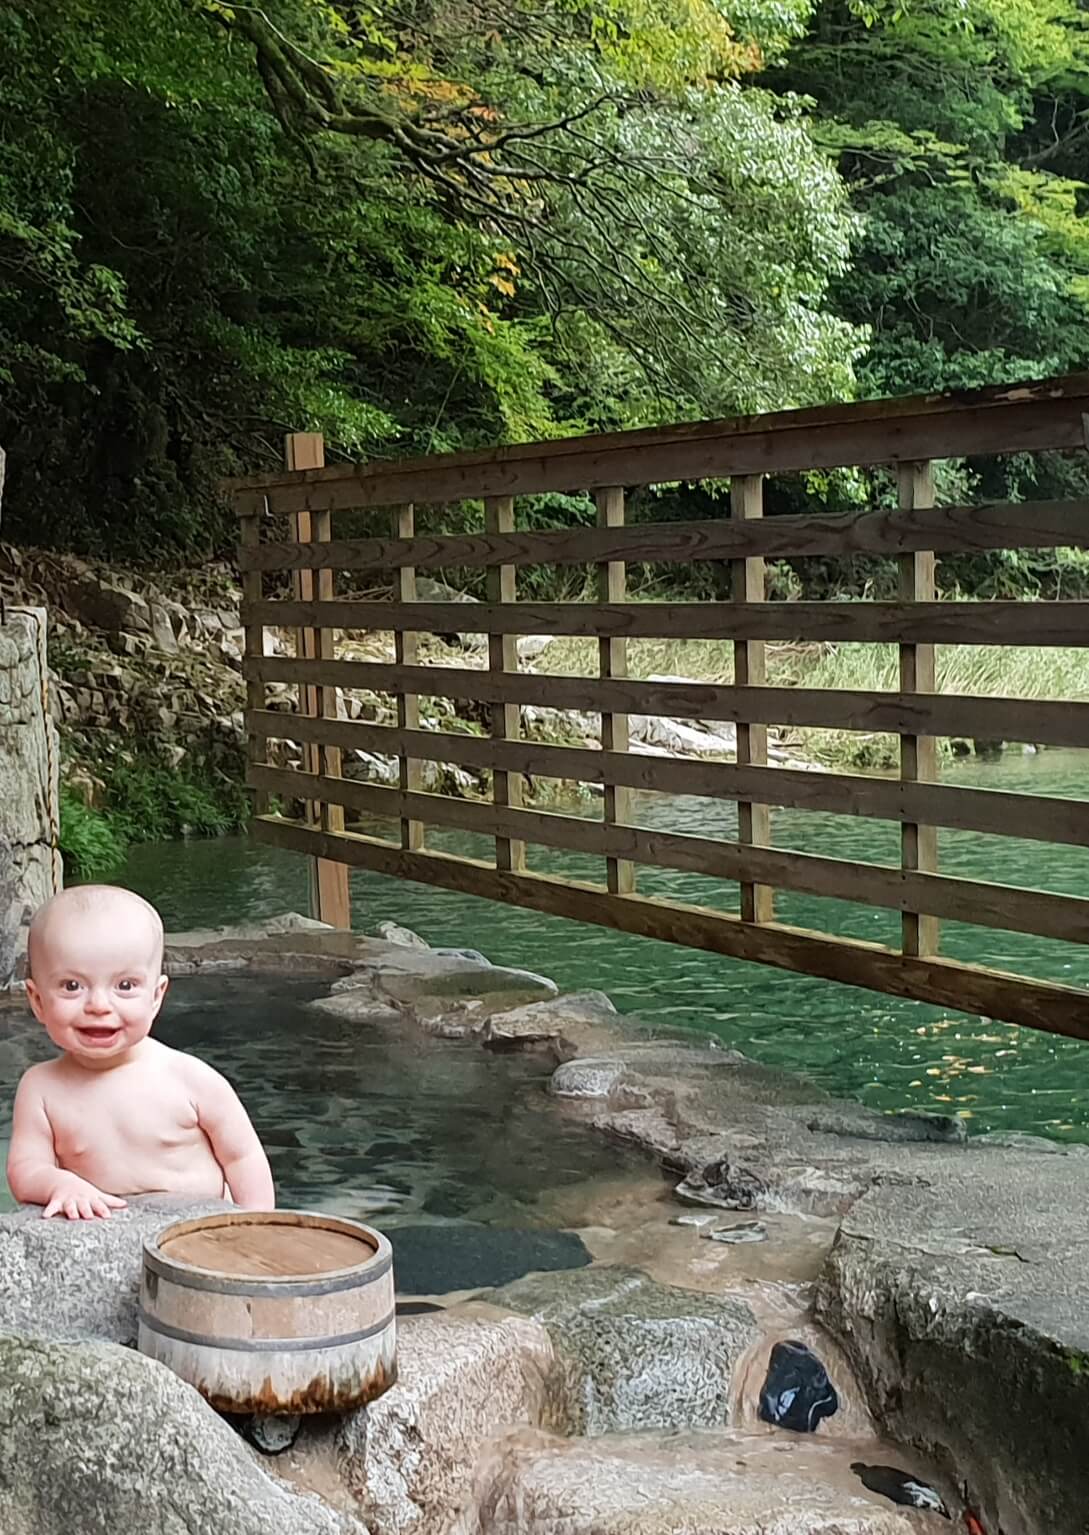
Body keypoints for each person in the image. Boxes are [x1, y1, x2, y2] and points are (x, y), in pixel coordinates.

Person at [6, 884, 274, 1219]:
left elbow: (243, 1157)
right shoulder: (41, 1087)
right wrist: (60, 1184)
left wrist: (258, 1223)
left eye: (125, 985)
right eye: (72, 986)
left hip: (198, 1231)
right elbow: (25, 1169)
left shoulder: (190, 1078)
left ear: (156, 996)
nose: (99, 1005)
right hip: (102, 1235)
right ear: (37, 1000)